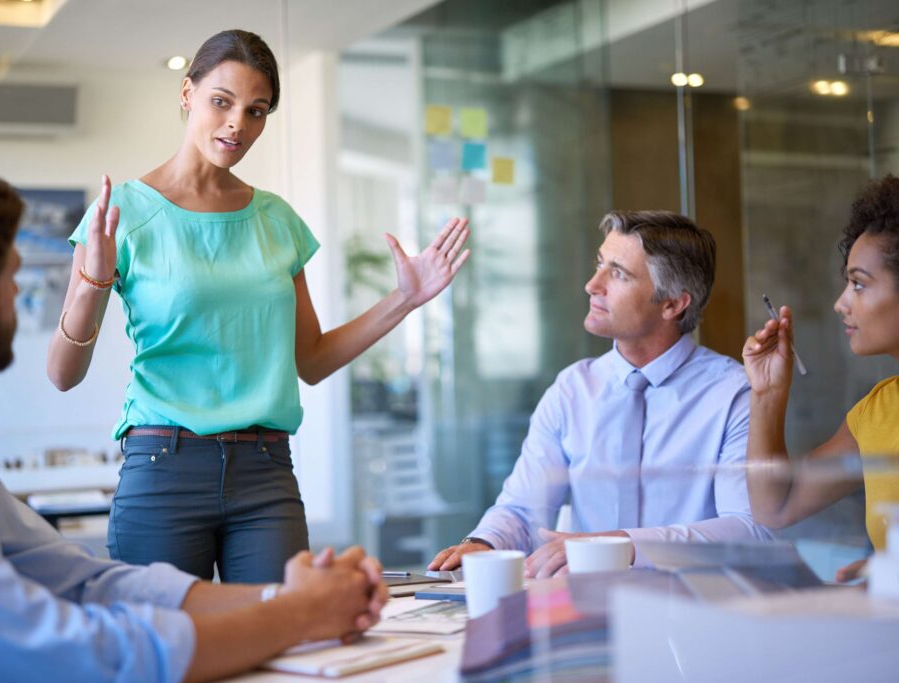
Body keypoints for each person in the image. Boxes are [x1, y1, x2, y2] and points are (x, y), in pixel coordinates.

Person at [0, 168, 388, 683]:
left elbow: (84, 581)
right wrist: (299, 613)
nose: (18, 290)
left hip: (264, 463)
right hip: (162, 460)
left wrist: (291, 598)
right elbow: (68, 651)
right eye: (11, 277)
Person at [45, 30, 470, 583]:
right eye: (221, 101)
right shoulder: (122, 214)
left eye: (256, 110)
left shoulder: (275, 219)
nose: (236, 125)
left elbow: (311, 360)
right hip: (163, 466)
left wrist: (405, 300)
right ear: (187, 93)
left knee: (286, 649)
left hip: (266, 473)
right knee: (169, 655)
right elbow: (61, 374)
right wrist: (91, 282)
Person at [429, 210, 772, 577]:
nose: (593, 285)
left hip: (694, 610)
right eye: (599, 264)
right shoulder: (573, 389)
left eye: (618, 274)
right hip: (581, 610)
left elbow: (749, 529)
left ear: (673, 303)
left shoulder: (734, 393)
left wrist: (621, 546)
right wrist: (484, 543)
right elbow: (522, 509)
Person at [743, 173, 899, 582]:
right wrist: (768, 393)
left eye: (858, 285)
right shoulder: (877, 411)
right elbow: (775, 505)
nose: (840, 304)